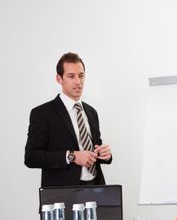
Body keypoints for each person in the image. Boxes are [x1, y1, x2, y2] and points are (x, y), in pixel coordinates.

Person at [25, 52, 112, 187]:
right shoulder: (42, 113)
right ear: (59, 79)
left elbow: (94, 148)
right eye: (71, 76)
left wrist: (104, 155)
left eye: (81, 76)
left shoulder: (91, 112)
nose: (78, 81)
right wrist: (72, 156)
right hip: (63, 193)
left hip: (95, 188)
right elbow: (31, 157)